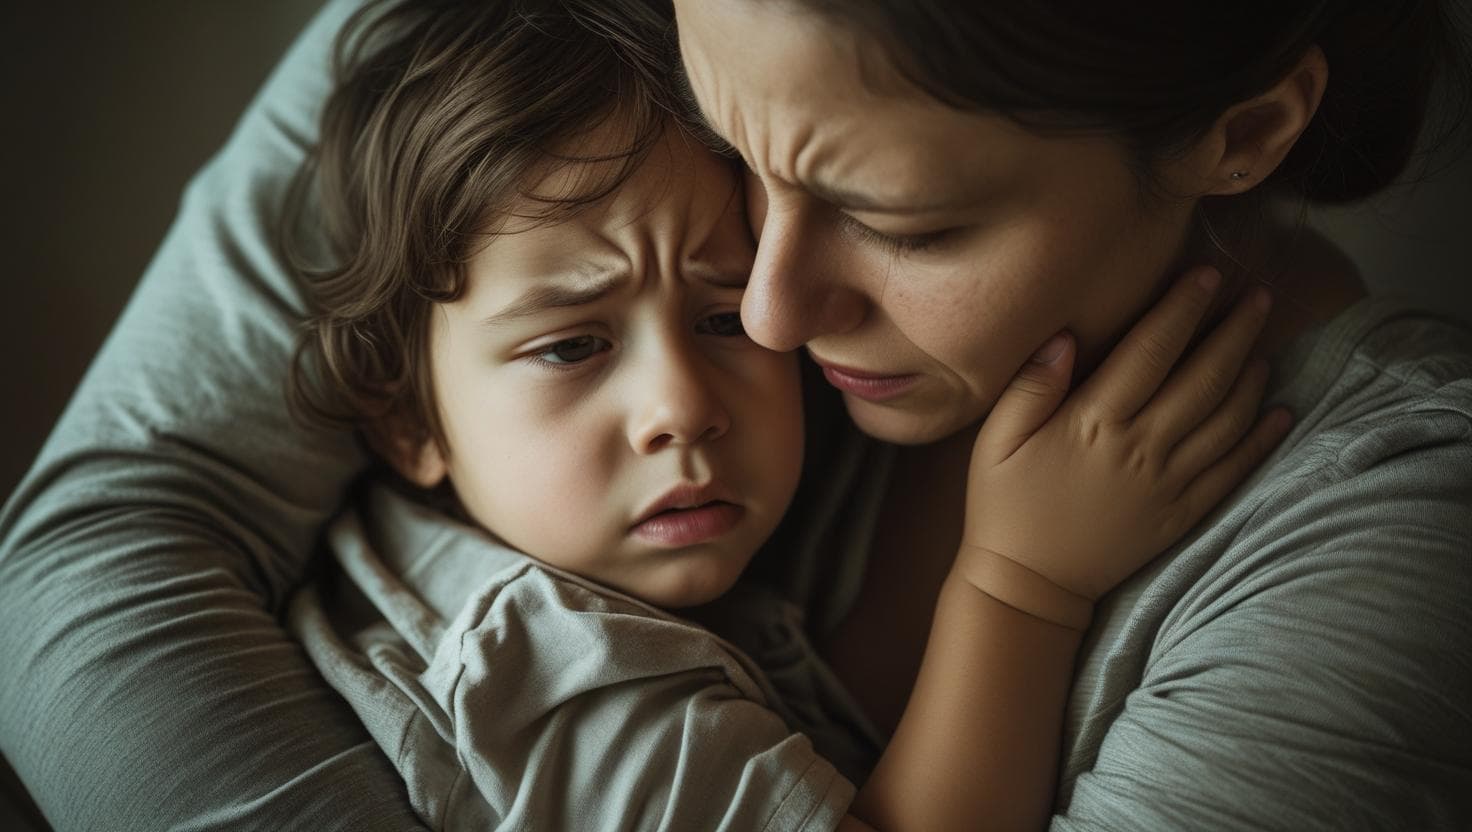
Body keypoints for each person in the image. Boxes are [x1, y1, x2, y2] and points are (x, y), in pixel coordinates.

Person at [0, 0, 1464, 830]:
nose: (764, 316)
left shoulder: (1383, 525)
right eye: (747, 168)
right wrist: (1017, 592)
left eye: (904, 222)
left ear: (1247, 132)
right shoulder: (570, 662)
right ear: (403, 413)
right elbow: (99, 548)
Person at [279, 1, 1276, 828]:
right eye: (572, 346)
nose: (680, 408)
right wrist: (1022, 586)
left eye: (720, 315)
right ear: (403, 419)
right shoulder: (550, 671)